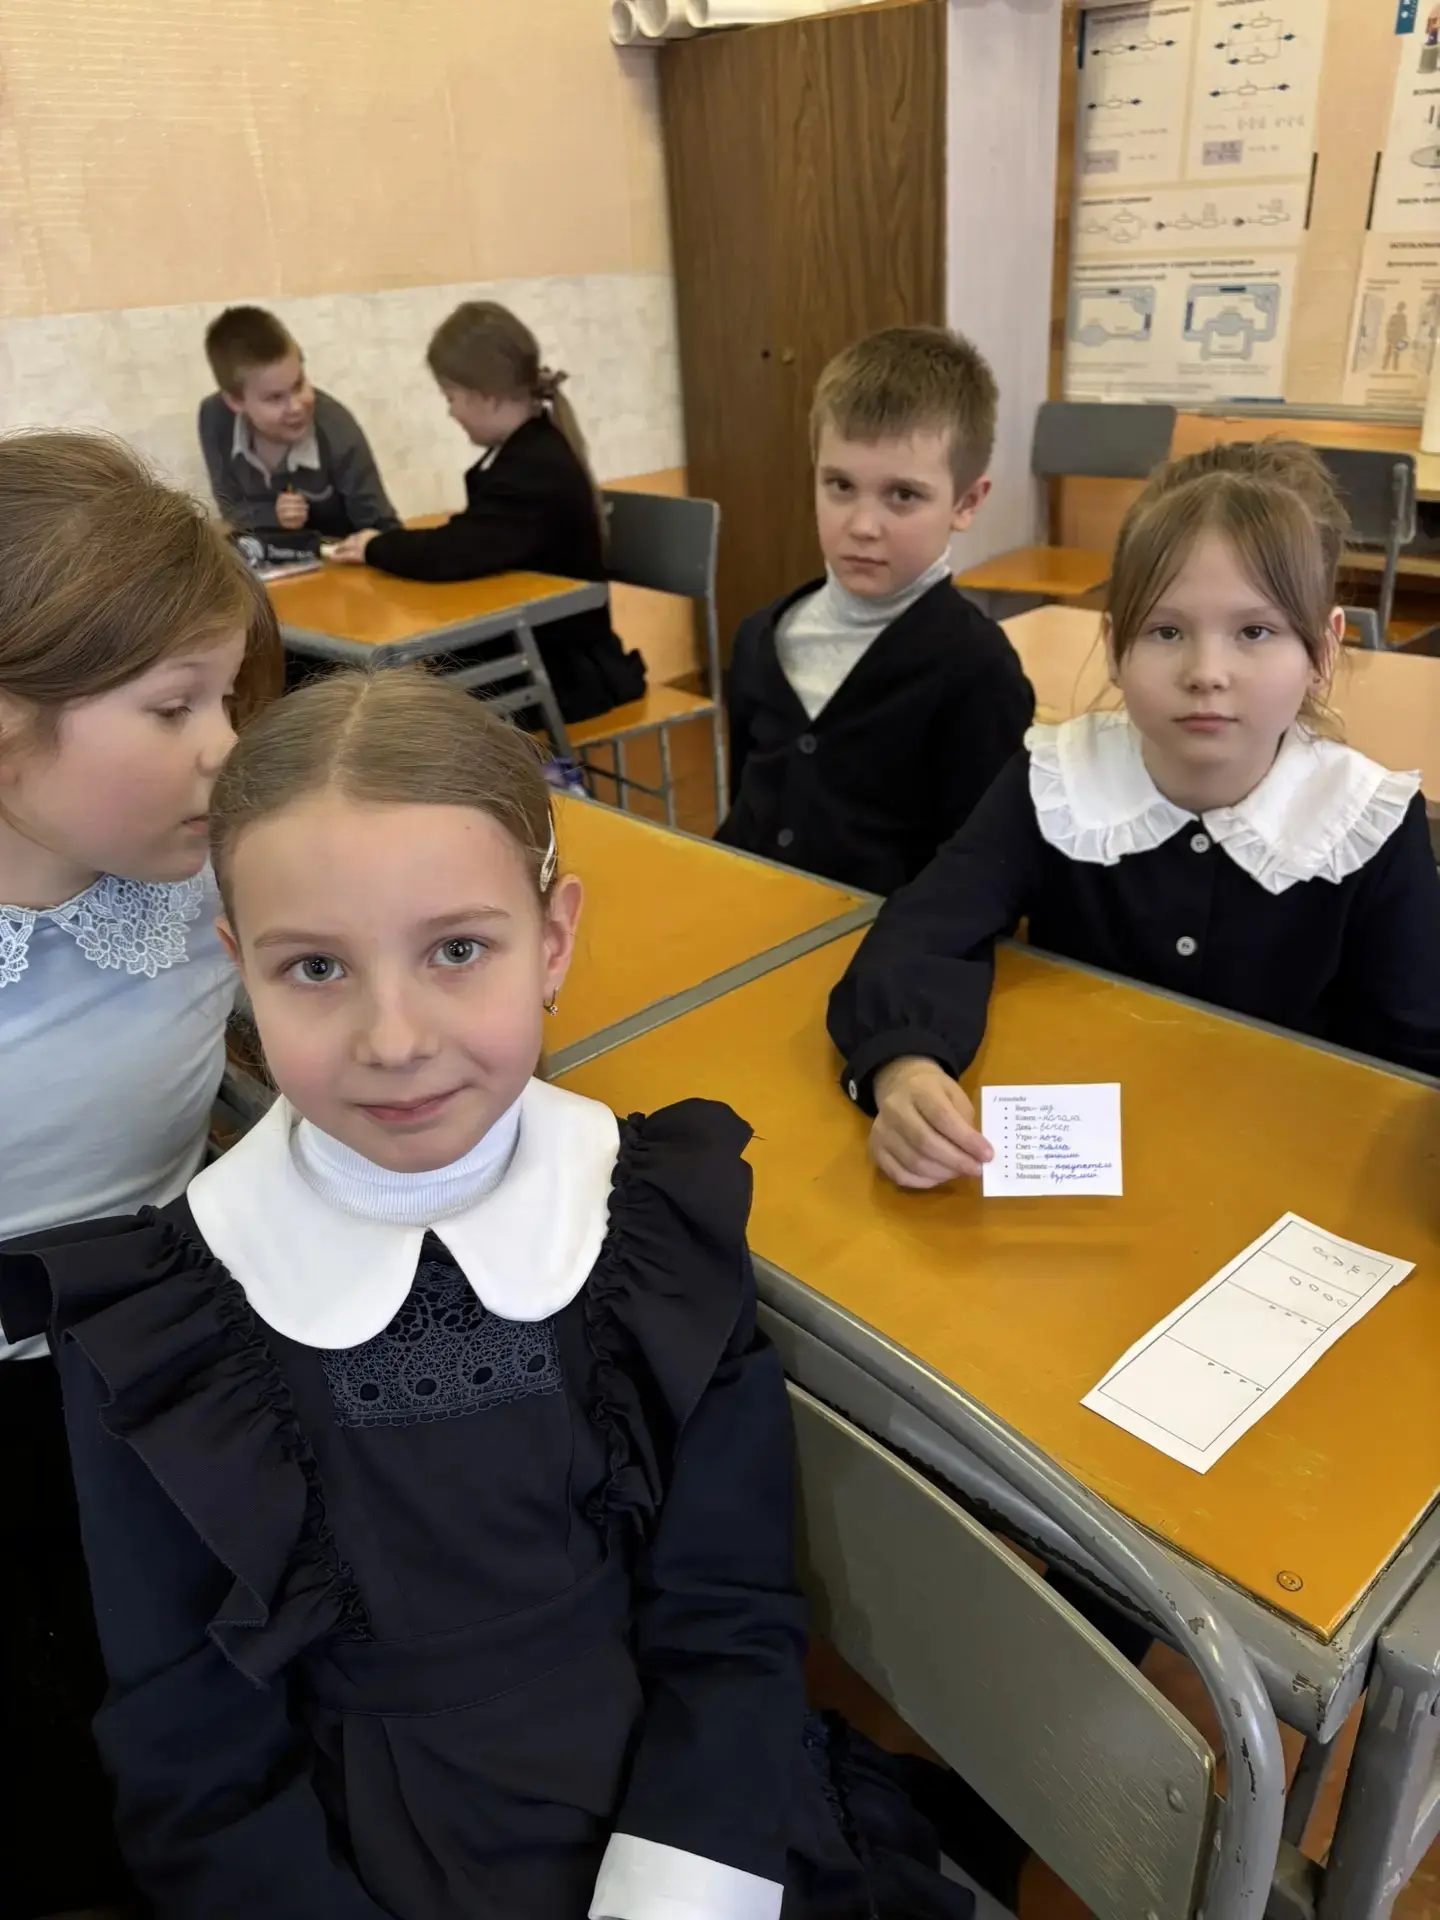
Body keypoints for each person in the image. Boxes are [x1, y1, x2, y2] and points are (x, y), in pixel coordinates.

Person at [1, 670, 974, 1920]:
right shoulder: (158, 1323)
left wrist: (679, 1886)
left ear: (552, 941)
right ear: (241, 963)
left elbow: (727, 1611)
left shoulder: (651, 1225)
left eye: (457, 950)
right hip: (362, 1862)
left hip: (684, 1811)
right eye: (315, 967)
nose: (395, 1039)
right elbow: (192, 1752)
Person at [828, 440, 1440, 1190]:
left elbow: (1409, 1062)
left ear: (1323, 650)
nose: (1206, 673)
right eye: (1166, 631)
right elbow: (926, 927)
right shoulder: (1057, 778)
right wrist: (905, 1066)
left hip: (1277, 1176)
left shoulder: (1367, 822)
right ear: (1115, 648)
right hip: (1088, 1175)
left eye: (1255, 631)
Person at [0, 430, 278, 1918]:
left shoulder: (197, 885)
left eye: (225, 698)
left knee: (191, 1731)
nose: (224, 744)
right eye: (174, 707)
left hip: (157, 1368)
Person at [715, 327, 1034, 895]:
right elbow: (743, 805)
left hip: (885, 939)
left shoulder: (978, 671)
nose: (862, 526)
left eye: (902, 495)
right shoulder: (760, 638)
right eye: (840, 485)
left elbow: (980, 873)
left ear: (966, 503)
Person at [325, 301, 646, 725]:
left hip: (564, 672)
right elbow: (472, 541)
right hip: (535, 652)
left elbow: (455, 551)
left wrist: (375, 547)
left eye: (451, 397)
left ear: (486, 396)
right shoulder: (523, 453)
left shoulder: (534, 467)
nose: (451, 412)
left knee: (409, 712)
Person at [198, 305, 400, 546]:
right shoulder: (214, 418)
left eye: (299, 385)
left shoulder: (337, 429)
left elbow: (384, 530)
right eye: (275, 398)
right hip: (265, 557)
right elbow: (231, 508)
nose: (295, 407)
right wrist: (274, 516)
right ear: (235, 401)